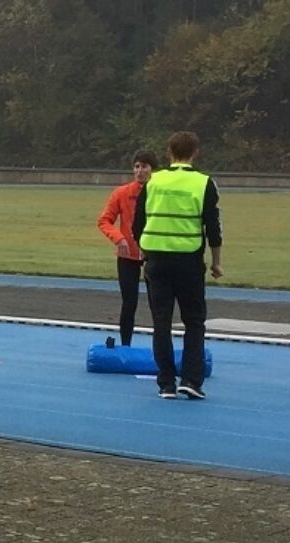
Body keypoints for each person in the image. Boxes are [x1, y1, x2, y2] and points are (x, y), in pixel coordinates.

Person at [132, 131, 222, 400]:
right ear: (195, 153)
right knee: (194, 322)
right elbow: (213, 227)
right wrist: (216, 263)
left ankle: (166, 383)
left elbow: (137, 223)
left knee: (162, 322)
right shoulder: (204, 183)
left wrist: (146, 251)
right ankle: (192, 381)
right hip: (188, 260)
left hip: (157, 260)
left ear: (169, 153)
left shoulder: (153, 181)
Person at [96, 150, 156, 346]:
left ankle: (161, 347)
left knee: (158, 303)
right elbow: (104, 220)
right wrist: (118, 238)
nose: (140, 171)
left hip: (154, 255)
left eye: (144, 166)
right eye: (137, 166)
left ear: (152, 169)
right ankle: (125, 345)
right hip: (127, 254)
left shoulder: (159, 193)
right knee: (129, 302)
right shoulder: (121, 193)